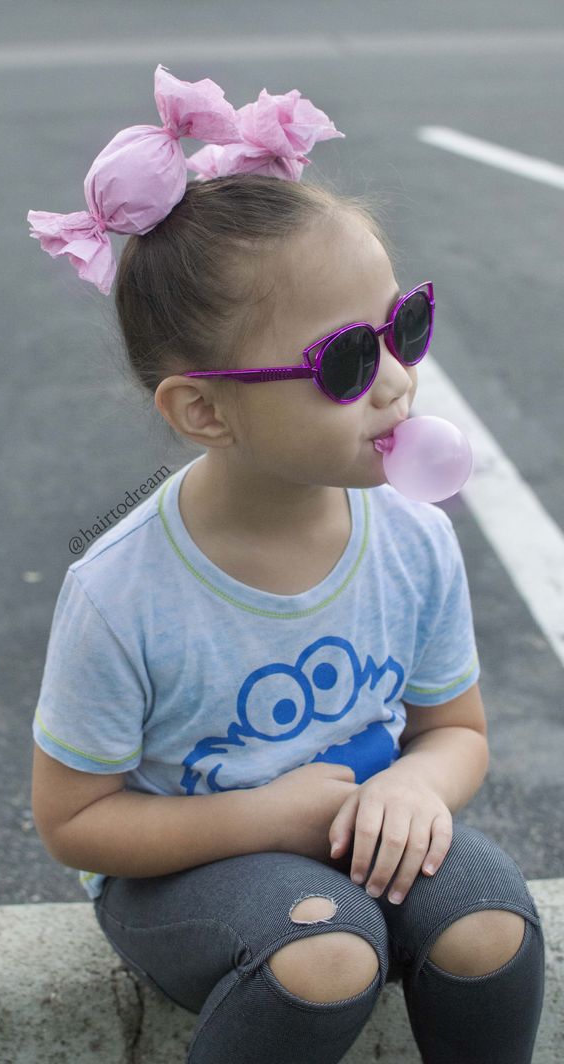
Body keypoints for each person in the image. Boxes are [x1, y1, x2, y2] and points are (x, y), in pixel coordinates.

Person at [27, 66, 545, 1064]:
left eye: (405, 327)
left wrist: (418, 786)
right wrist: (274, 813)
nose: (397, 380)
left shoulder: (412, 536)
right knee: (325, 955)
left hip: (360, 826)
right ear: (204, 410)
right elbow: (75, 818)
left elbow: (457, 731)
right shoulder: (122, 587)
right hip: (182, 874)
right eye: (347, 362)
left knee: (492, 927)